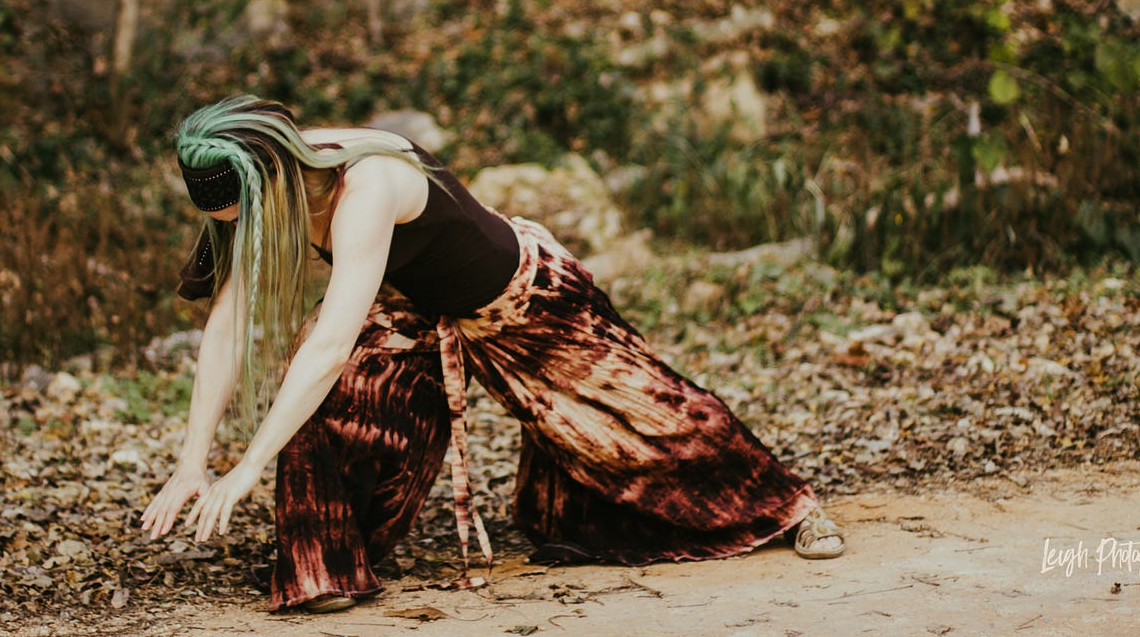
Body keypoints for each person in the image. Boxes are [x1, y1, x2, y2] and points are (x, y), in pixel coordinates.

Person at [140, 96, 843, 614]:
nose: (247, 232)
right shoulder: (244, 189)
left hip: (520, 294)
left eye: (252, 217)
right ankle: (323, 566)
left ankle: (789, 506)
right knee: (327, 399)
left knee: (647, 422)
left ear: (278, 174)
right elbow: (229, 321)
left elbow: (330, 341)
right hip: (404, 300)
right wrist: (194, 460)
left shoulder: (364, 183)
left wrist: (248, 466)